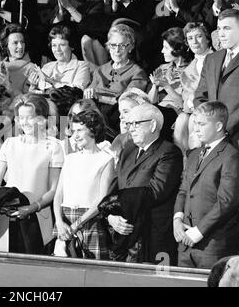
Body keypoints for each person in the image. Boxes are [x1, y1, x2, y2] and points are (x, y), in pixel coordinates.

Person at [108, 103, 183, 264]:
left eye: (136, 123)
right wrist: (110, 215)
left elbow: (155, 192)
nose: (131, 129)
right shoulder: (128, 150)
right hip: (125, 236)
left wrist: (110, 203)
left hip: (154, 237)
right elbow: (115, 186)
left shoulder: (169, 152)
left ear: (153, 125)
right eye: (129, 124)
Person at [0, 94, 64, 253]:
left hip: (37, 219)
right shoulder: (10, 143)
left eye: (30, 117)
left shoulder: (54, 147)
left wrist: (31, 208)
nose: (24, 122)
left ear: (43, 119)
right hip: (5, 217)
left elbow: (54, 189)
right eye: (20, 117)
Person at [174, 101, 239, 269]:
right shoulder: (194, 155)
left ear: (218, 126)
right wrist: (177, 219)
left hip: (213, 246)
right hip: (185, 244)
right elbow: (183, 190)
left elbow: (227, 202)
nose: (195, 129)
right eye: (195, 123)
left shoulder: (231, 156)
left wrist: (197, 232)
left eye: (201, 124)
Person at [53, 108, 115, 260]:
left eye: (79, 130)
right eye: (73, 131)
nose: (75, 136)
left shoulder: (106, 159)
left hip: (91, 220)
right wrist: (60, 223)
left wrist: (77, 224)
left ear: (93, 130)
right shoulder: (70, 158)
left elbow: (102, 198)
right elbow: (58, 194)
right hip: (65, 221)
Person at [84, 24, 147, 133]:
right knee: (65, 107)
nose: (117, 50)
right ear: (108, 47)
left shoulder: (137, 72)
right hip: (94, 110)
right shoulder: (100, 69)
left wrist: (99, 97)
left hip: (115, 116)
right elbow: (88, 95)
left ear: (131, 47)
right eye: (113, 45)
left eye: (122, 45)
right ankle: (62, 143)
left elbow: (127, 101)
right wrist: (88, 92)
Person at [194, 9, 239, 148]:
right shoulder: (212, 59)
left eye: (227, 28)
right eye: (219, 28)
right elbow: (200, 97)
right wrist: (206, 124)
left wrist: (222, 128)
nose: (221, 34)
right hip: (211, 134)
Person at [174, 22, 213, 152]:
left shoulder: (218, 59)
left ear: (207, 38)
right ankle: (185, 161)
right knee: (181, 120)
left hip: (211, 106)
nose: (194, 42)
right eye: (190, 38)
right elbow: (185, 97)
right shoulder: (189, 68)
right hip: (192, 108)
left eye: (199, 36)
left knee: (193, 120)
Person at [0, 24, 36, 117]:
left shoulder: (31, 68)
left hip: (18, 114)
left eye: (22, 42)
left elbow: (27, 101)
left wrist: (8, 85)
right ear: (6, 46)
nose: (21, 46)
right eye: (15, 43)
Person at [28, 24, 91, 93]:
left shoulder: (82, 66)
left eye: (62, 45)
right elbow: (40, 94)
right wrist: (33, 86)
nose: (57, 50)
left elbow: (77, 92)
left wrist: (50, 81)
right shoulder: (47, 67)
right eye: (54, 45)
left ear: (71, 46)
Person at [148, 27, 192, 117]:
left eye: (166, 48)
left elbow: (183, 104)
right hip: (157, 111)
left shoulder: (191, 71)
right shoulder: (163, 68)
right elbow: (151, 101)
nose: (162, 51)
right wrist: (155, 86)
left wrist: (167, 86)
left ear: (178, 49)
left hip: (174, 114)